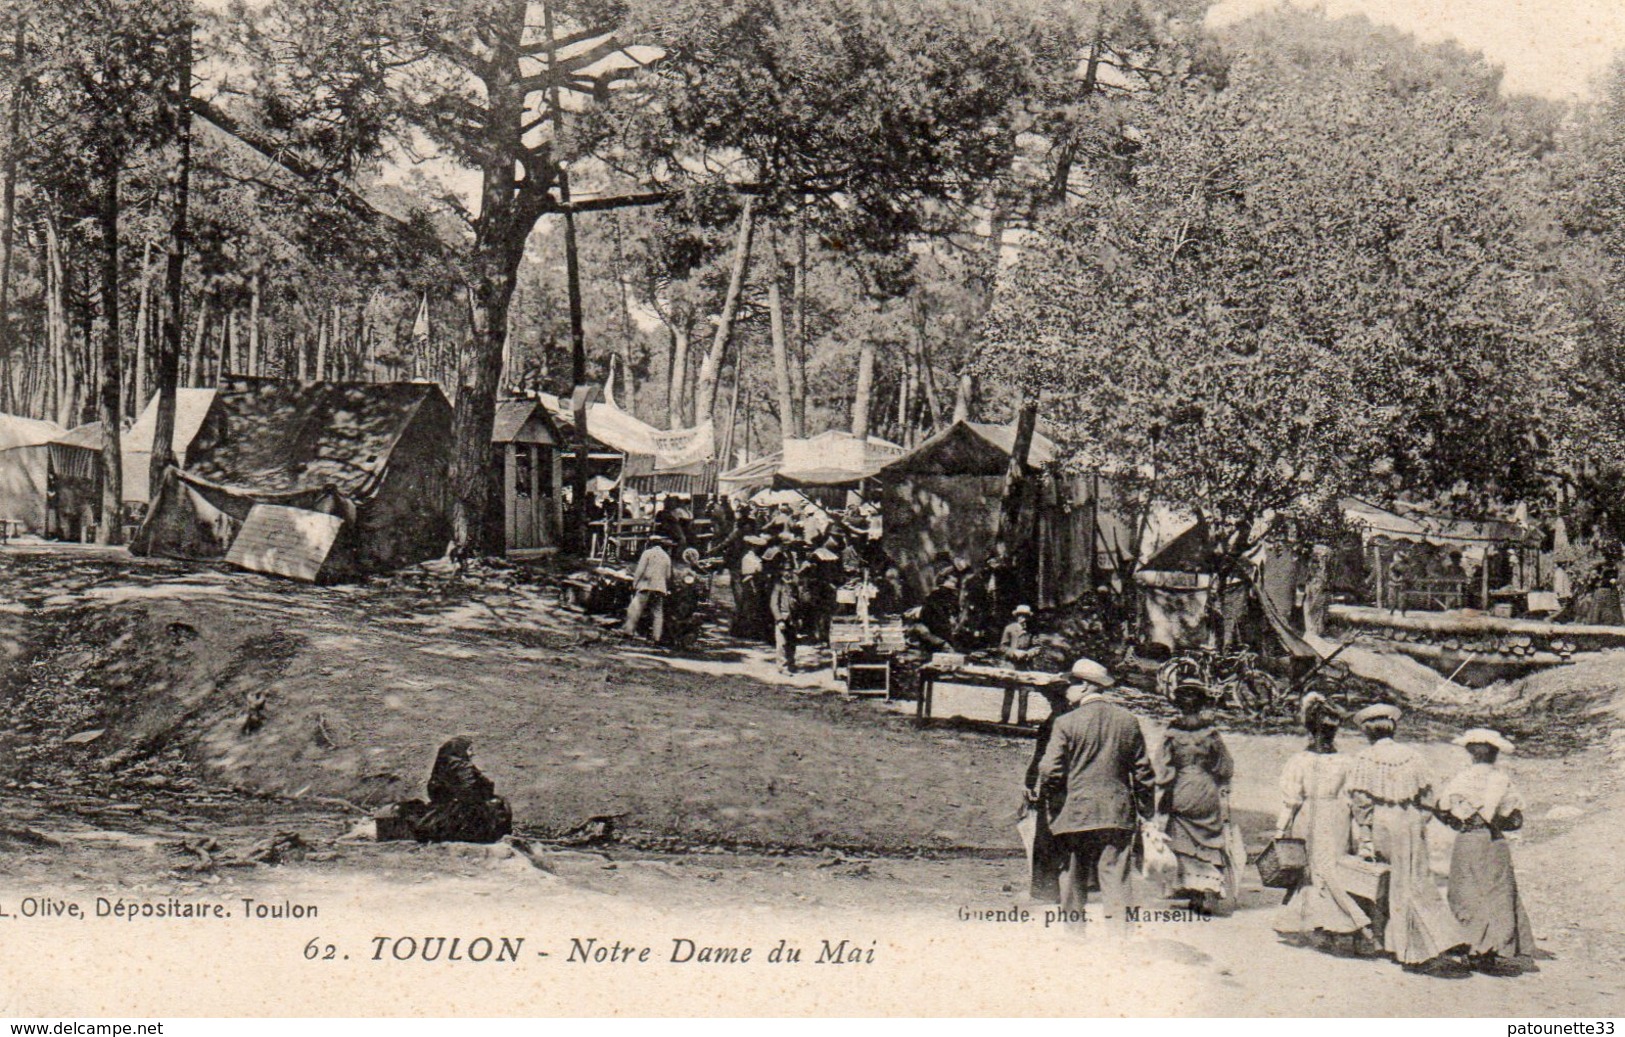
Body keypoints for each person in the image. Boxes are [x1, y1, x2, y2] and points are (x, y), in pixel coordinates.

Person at [1346, 703, 1468, 974]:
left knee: (1385, 881)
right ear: (1394, 727)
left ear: (1368, 732)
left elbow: (1361, 802)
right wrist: (1417, 820)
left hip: (1382, 822)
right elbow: (1428, 798)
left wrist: (1365, 832)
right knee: (1415, 879)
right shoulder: (1413, 757)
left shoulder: (1365, 759)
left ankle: (1392, 943)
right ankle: (1426, 939)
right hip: (1410, 821)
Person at [1037, 658, 1157, 927]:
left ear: (1085, 686)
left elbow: (1049, 770)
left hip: (1076, 810)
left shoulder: (1066, 723)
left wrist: (1055, 799)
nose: (1067, 690)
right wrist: (1147, 811)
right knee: (1116, 878)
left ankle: (1075, 939)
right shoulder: (1128, 722)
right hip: (1116, 812)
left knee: (1072, 878)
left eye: (1070, 684)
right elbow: (1143, 773)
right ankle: (1119, 941)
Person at [1273, 692, 1372, 951]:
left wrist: (1281, 828)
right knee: (1332, 866)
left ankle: (1329, 921)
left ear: (1309, 731)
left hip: (1308, 814)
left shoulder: (1298, 761)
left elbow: (1291, 800)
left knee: (1311, 870)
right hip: (1336, 815)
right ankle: (1339, 922)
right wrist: (1360, 833)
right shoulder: (1346, 761)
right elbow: (1351, 797)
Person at [1436, 728, 1536, 974]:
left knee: (1465, 891)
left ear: (1471, 753)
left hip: (1469, 839)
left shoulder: (1461, 779)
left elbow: (1441, 809)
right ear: (1495, 754)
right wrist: (1495, 820)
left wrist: (1460, 821)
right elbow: (1515, 819)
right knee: (1498, 892)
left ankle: (1471, 947)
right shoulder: (1501, 780)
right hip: (1494, 841)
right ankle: (1495, 950)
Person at [1156, 682, 1238, 914]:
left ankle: (1192, 890)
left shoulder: (1171, 733)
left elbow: (1162, 769)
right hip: (1205, 788)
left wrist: (1166, 788)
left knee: (1182, 840)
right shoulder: (1211, 733)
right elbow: (1225, 766)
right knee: (1209, 837)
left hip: (1181, 788)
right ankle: (1209, 889)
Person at [394, 737, 513, 844]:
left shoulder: (442, 766)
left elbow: (434, 793)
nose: (472, 753)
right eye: (469, 749)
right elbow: (471, 791)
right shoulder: (462, 767)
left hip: (442, 811)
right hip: (465, 813)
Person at [1021, 683, 1075, 901]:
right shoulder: (1074, 718)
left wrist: (1030, 781)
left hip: (1052, 783)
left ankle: (1046, 889)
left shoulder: (1054, 722)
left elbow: (1040, 757)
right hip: (1073, 782)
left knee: (1046, 835)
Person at [622, 534, 674, 643]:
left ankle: (628, 633)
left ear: (650, 543)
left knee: (635, 609)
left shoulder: (647, 553)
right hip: (660, 588)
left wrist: (634, 583)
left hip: (646, 585)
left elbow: (640, 570)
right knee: (658, 613)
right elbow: (668, 576)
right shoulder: (666, 556)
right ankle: (657, 638)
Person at [1000, 605, 1039, 669]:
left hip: (1027, 665)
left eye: (1026, 616)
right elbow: (1002, 647)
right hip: (1011, 664)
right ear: (1017, 617)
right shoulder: (1009, 628)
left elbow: (1037, 647)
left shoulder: (1032, 630)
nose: (1024, 619)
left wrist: (1027, 654)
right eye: (1021, 616)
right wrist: (1014, 652)